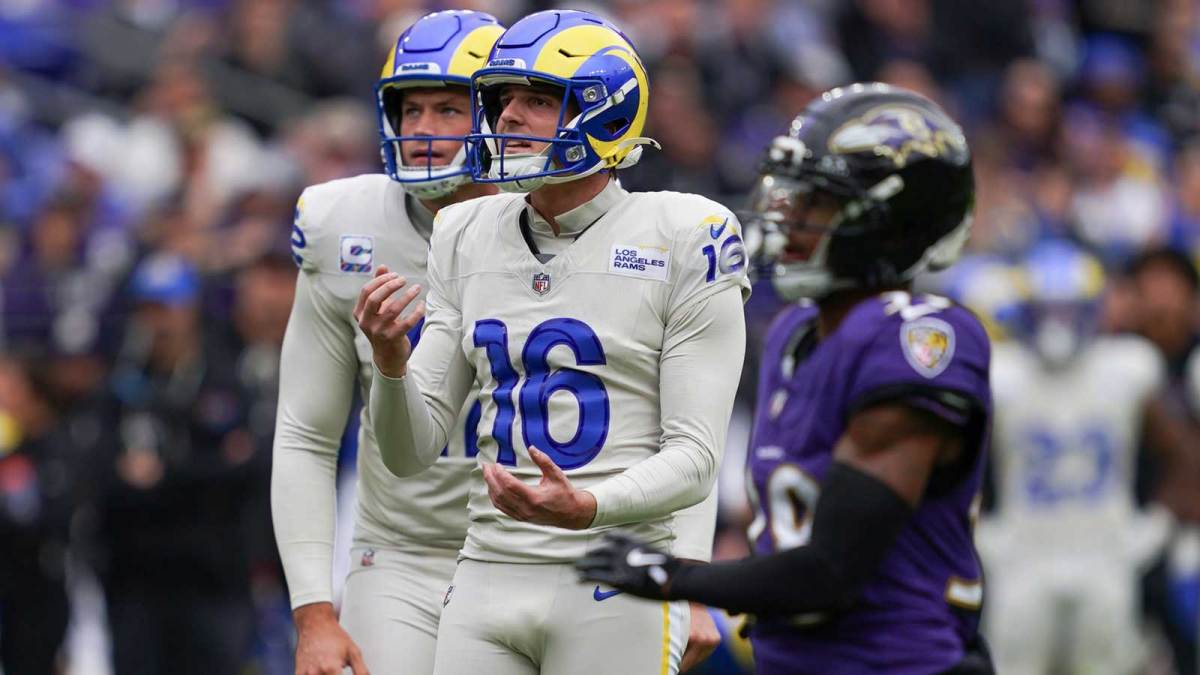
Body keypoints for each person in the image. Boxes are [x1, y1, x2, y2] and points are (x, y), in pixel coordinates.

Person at [355, 9, 749, 674]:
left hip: (612, 571)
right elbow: (408, 449)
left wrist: (588, 504)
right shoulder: (465, 230)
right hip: (484, 573)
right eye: (504, 98)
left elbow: (696, 457)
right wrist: (391, 366)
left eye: (537, 100)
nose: (507, 117)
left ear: (605, 112)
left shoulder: (686, 232)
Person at [577, 83, 996, 674]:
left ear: (891, 221)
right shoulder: (796, 331)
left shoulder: (918, 340)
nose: (786, 219)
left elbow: (832, 570)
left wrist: (677, 576)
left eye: (816, 204)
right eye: (790, 196)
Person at [271, 10, 502, 675]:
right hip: (401, 550)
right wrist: (315, 610)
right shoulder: (342, 225)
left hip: (535, 548)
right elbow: (307, 432)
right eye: (411, 109)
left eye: (448, 110)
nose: (423, 131)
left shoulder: (550, 218)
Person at [978, 239, 1174, 675]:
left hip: (1104, 549)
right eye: (1047, 310)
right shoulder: (1001, 373)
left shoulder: (1128, 367)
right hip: (1023, 553)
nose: (1057, 325)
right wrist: (983, 528)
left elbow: (1174, 451)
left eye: (1068, 311)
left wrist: (1157, 517)